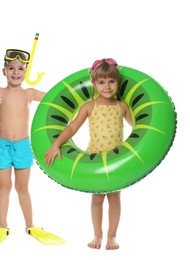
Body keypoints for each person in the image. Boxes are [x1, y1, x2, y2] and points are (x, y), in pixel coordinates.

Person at [0, 49, 65, 248]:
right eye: (11, 68)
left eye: (20, 69)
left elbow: (54, 97)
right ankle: (2, 226)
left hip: (23, 146)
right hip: (2, 146)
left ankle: (30, 225)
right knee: (3, 187)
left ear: (26, 72)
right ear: (4, 71)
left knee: (23, 187)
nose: (15, 72)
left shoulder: (30, 93)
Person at [44, 58, 133, 250]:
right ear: (93, 84)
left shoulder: (122, 107)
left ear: (117, 82)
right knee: (97, 198)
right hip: (94, 158)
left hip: (116, 159)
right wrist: (57, 144)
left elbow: (140, 128)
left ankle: (112, 236)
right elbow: (73, 127)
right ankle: (97, 234)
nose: (107, 86)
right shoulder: (89, 106)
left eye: (111, 81)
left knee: (115, 197)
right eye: (101, 82)